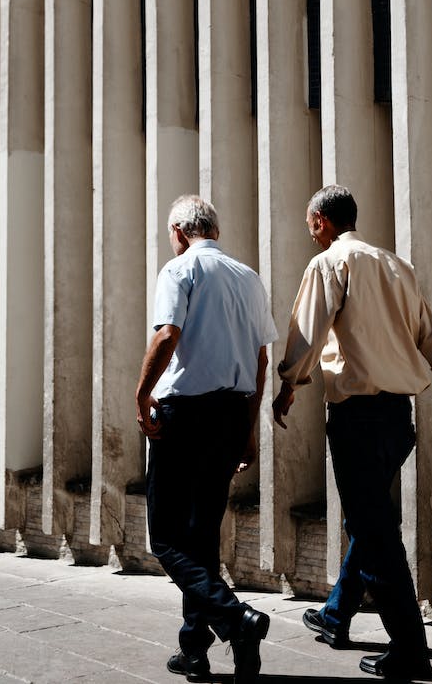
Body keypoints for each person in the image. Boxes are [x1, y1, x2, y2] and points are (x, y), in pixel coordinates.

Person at [272, 185, 432, 681]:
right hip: (397, 419)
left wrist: (288, 385)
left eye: (310, 226)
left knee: (374, 529)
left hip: (358, 419)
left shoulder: (329, 265)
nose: (311, 235)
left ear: (321, 221)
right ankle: (336, 615)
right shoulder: (394, 265)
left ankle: (409, 647)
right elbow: (431, 335)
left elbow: (307, 331)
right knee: (372, 517)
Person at [136, 195, 277, 684]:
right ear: (213, 229)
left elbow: (166, 335)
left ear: (179, 230)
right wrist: (250, 429)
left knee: (166, 538)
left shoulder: (179, 271)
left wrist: (142, 393)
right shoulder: (248, 277)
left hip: (186, 416)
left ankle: (237, 619)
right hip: (231, 414)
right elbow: (260, 362)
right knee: (201, 536)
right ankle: (196, 650)